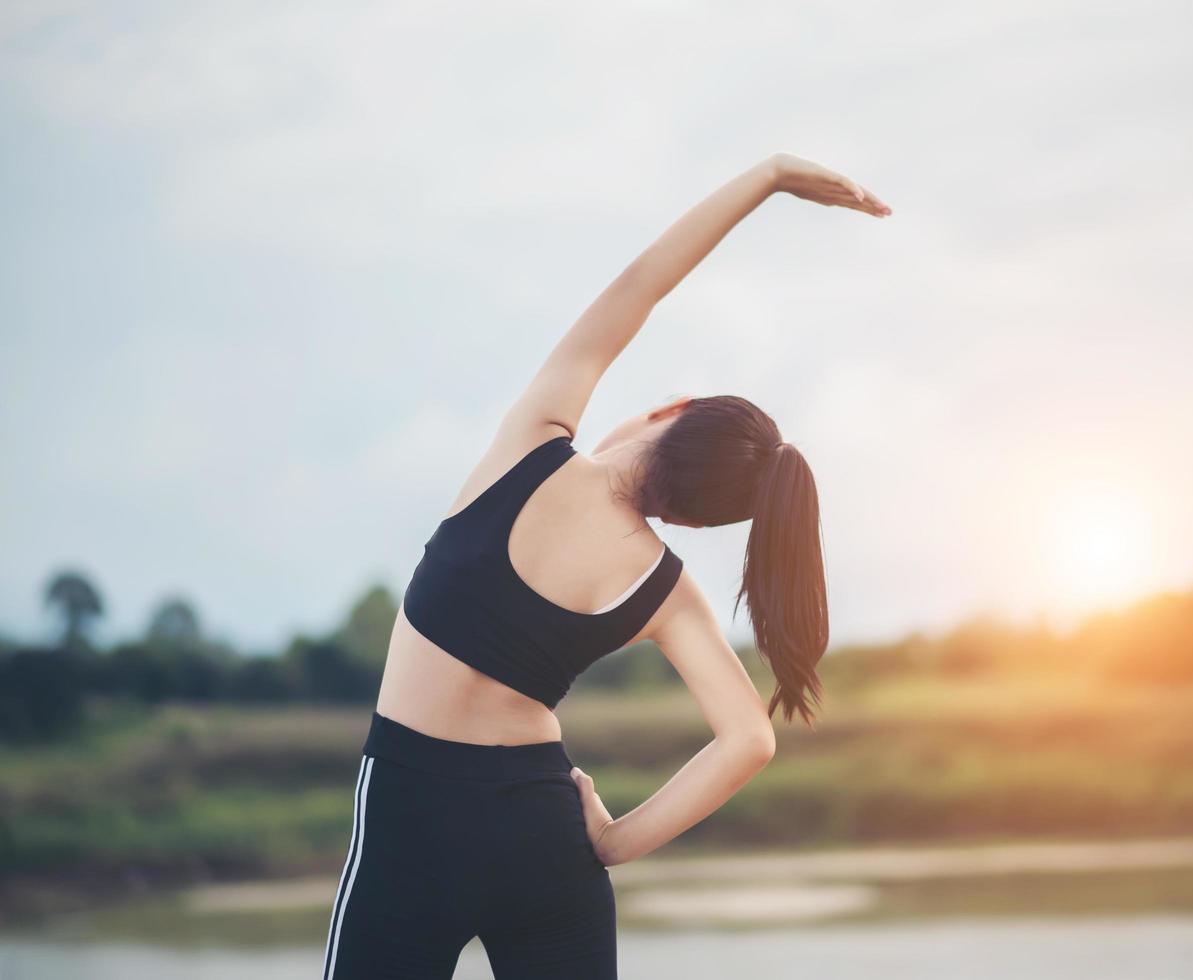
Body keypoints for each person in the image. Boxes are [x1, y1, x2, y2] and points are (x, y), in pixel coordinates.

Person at [319, 152, 891, 979]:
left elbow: (640, 284)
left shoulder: (535, 442)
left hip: (412, 815)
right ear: (696, 517)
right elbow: (749, 739)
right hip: (544, 836)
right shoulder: (665, 590)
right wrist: (614, 841)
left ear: (672, 410)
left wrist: (768, 177)